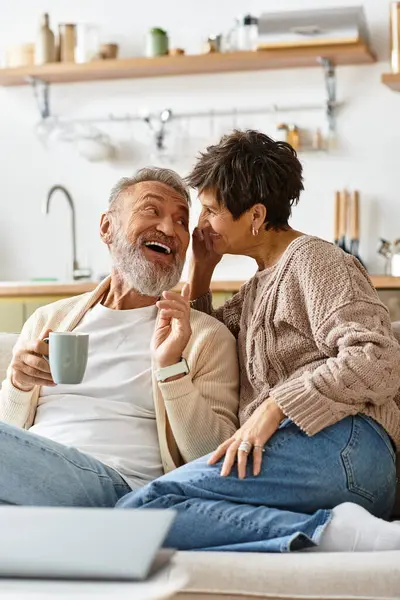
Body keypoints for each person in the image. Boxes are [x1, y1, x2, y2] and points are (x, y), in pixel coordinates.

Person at [118, 131, 400, 553]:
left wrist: (275, 406)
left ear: (255, 215)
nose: (201, 225)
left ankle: (348, 533)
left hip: (348, 446)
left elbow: (378, 357)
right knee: (136, 513)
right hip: (319, 457)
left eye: (211, 211)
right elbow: (208, 339)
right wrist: (202, 269)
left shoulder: (314, 260)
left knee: (142, 509)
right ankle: (336, 534)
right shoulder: (257, 289)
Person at [0, 167, 239, 507]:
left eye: (182, 221)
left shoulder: (203, 337)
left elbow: (213, 457)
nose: (169, 228)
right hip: (34, 478)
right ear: (107, 227)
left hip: (120, 487)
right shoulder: (49, 320)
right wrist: (18, 385)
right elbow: (12, 435)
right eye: (151, 211)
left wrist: (171, 369)